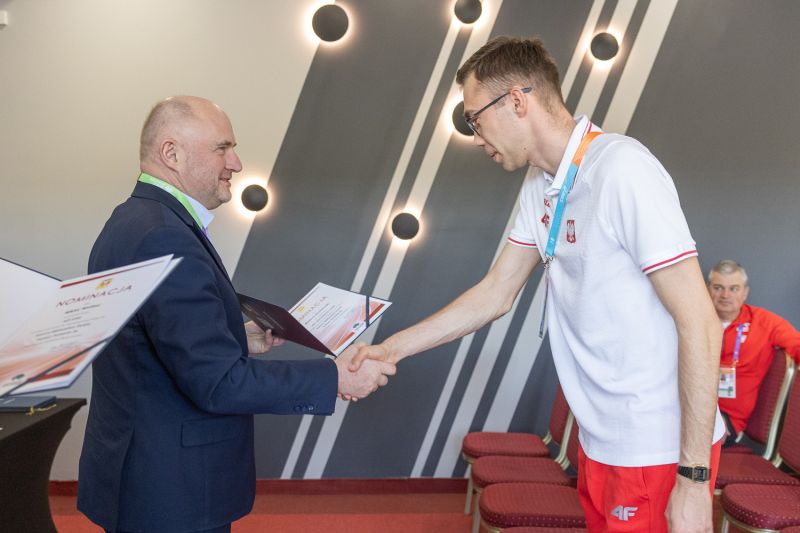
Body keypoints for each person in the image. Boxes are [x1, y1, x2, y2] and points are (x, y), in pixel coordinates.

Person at [351, 37, 725, 532]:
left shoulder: (621, 169)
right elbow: (496, 292)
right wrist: (391, 349)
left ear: (517, 101)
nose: (475, 136)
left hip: (653, 445)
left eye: (473, 119)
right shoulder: (542, 185)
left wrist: (694, 479)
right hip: (599, 439)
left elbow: (700, 320)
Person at [77, 96, 396, 533]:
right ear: (171, 153)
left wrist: (236, 337)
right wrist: (334, 378)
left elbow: (147, 342)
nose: (236, 163)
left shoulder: (134, 220)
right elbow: (218, 383)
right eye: (222, 148)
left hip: (147, 473)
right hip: (170, 489)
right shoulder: (164, 235)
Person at [707, 259, 800, 445]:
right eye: (718, 288)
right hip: (689, 407)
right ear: (708, 289)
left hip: (726, 419)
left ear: (745, 292)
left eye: (733, 288)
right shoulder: (693, 320)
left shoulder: (764, 322)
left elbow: (797, 345)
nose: (725, 295)